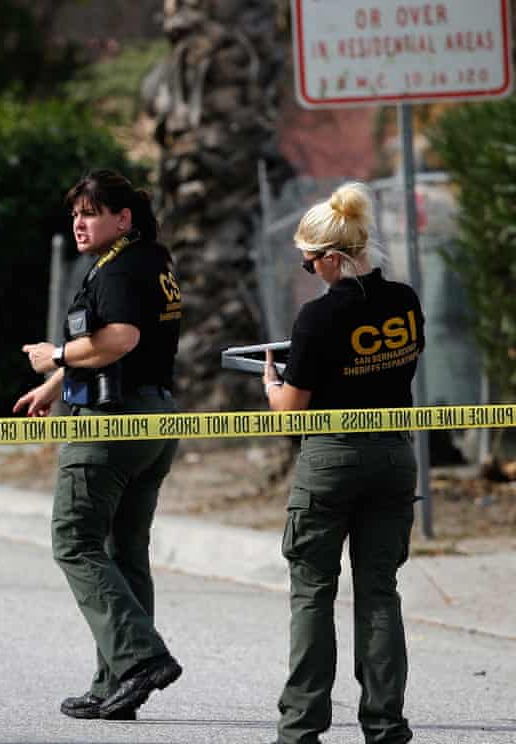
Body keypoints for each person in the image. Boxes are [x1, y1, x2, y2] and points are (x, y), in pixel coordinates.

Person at [14, 169, 183, 721]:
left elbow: (120, 339)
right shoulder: (152, 261)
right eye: (75, 214)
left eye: (90, 213)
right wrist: (54, 386)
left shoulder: (119, 270)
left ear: (122, 218)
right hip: (154, 417)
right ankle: (115, 685)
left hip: (112, 424)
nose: (79, 223)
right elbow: (120, 344)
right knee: (123, 549)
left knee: (74, 540)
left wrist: (56, 356)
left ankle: (139, 659)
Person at [264, 182, 423, 744]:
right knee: (380, 589)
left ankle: (301, 727)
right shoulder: (404, 301)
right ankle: (385, 725)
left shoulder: (316, 319)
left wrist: (271, 381)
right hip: (394, 455)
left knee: (313, 590)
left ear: (334, 258)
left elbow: (290, 409)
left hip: (331, 456)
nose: (310, 270)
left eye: (311, 263)